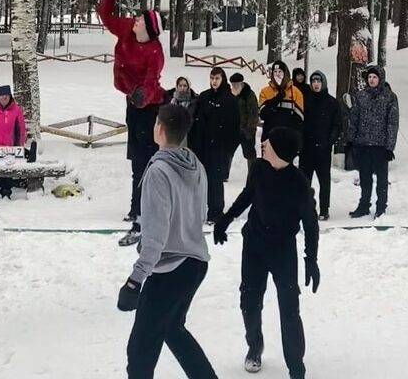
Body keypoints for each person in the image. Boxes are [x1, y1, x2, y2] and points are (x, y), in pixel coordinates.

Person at [117, 103, 218, 379]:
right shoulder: (195, 163)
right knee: (173, 329)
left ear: (159, 129)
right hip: (195, 263)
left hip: (170, 269)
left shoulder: (158, 172)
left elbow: (155, 236)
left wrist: (135, 280)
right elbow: (202, 213)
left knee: (140, 351)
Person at [213, 127, 320, 379]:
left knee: (289, 309)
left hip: (283, 251)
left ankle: (296, 366)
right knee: (249, 302)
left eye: (268, 142)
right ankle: (254, 345)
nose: (263, 144)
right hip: (254, 246)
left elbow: (311, 224)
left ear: (280, 150)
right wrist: (225, 219)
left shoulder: (299, 184)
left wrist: (311, 259)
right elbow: (247, 195)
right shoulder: (259, 169)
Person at [97, 0, 166, 246]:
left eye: (139, 19)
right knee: (137, 163)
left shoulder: (154, 52)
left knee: (146, 164)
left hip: (149, 109)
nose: (134, 19)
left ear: (148, 28)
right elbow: (104, 14)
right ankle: (137, 210)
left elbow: (152, 82)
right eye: (135, 17)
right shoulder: (127, 29)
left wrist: (141, 96)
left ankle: (144, 218)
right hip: (133, 106)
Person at [346, 65, 399, 219]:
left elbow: (392, 123)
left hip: (380, 146)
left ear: (380, 78)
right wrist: (351, 139)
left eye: (375, 77)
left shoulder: (390, 97)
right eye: (369, 77)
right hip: (363, 144)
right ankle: (364, 205)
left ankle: (381, 206)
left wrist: (390, 147)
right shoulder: (360, 96)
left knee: (382, 179)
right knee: (365, 178)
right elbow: (354, 119)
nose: (372, 80)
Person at [192, 67, 240, 224]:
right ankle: (201, 209)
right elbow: (196, 120)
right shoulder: (204, 96)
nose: (214, 81)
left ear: (222, 79)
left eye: (217, 78)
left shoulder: (229, 99)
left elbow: (234, 126)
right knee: (201, 179)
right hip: (203, 145)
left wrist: (228, 148)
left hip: (219, 147)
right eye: (212, 78)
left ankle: (216, 211)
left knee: (215, 180)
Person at [299, 70, 342, 221]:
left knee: (324, 181)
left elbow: (337, 125)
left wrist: (329, 141)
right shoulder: (304, 100)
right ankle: (305, 208)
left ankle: (324, 209)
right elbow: (298, 123)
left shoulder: (331, 102)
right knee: (304, 182)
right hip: (306, 149)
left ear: (323, 83)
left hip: (323, 149)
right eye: (313, 81)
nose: (316, 84)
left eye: (318, 81)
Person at [259, 60, 305, 138]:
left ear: (285, 73)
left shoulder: (295, 92)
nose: (277, 74)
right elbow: (262, 114)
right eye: (275, 72)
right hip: (269, 137)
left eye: (280, 71)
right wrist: (276, 100)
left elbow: (300, 118)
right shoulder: (265, 91)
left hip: (288, 138)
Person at [229, 72, 259, 171]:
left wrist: (249, 130)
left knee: (249, 153)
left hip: (246, 129)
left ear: (241, 83)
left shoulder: (249, 95)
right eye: (233, 84)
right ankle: (224, 173)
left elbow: (253, 114)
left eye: (236, 84)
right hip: (233, 129)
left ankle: (253, 173)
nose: (234, 86)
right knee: (228, 151)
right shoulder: (230, 94)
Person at [165, 76, 199, 147]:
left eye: (185, 86)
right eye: (180, 86)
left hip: (187, 135)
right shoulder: (171, 100)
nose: (182, 88)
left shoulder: (193, 101)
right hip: (172, 135)